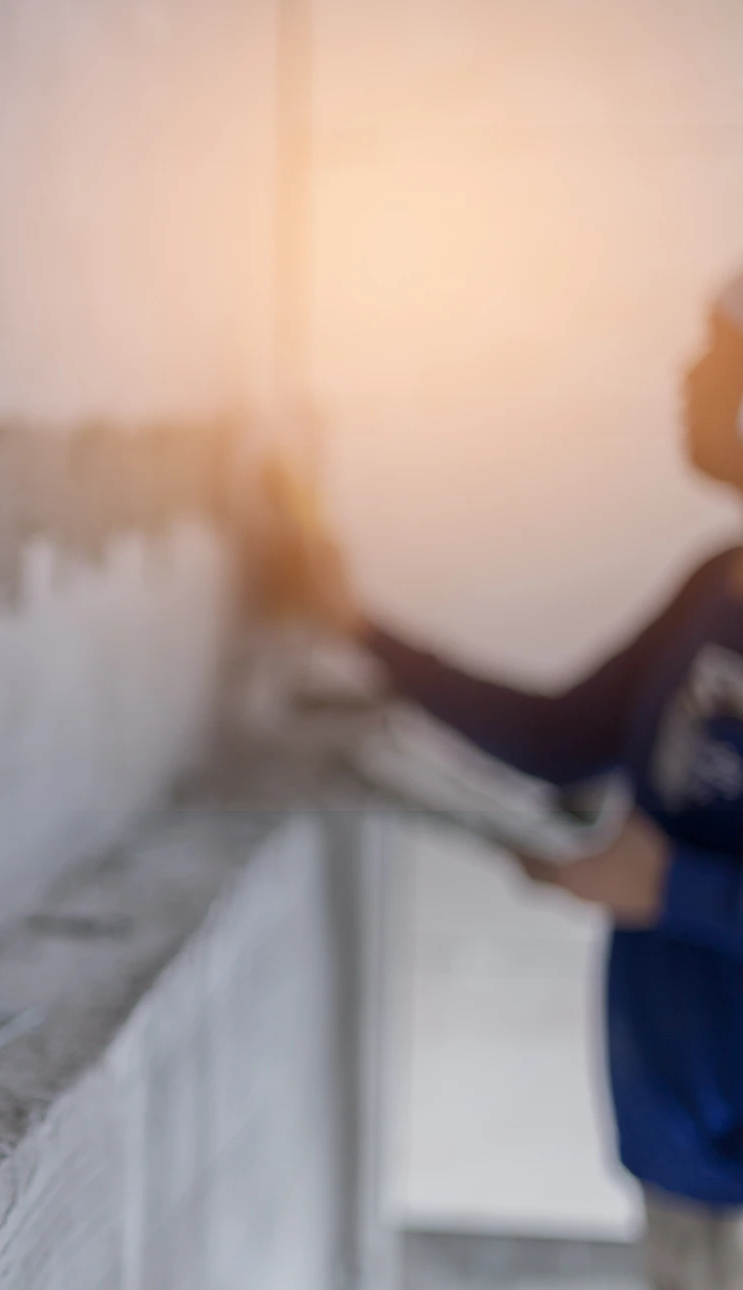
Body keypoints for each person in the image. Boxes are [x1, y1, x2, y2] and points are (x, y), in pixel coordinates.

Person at [302, 272, 743, 1290]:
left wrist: (668, 887)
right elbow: (560, 739)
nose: (685, 375)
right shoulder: (715, 578)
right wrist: (359, 633)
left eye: (716, 354)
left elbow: (665, 869)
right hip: (677, 1139)